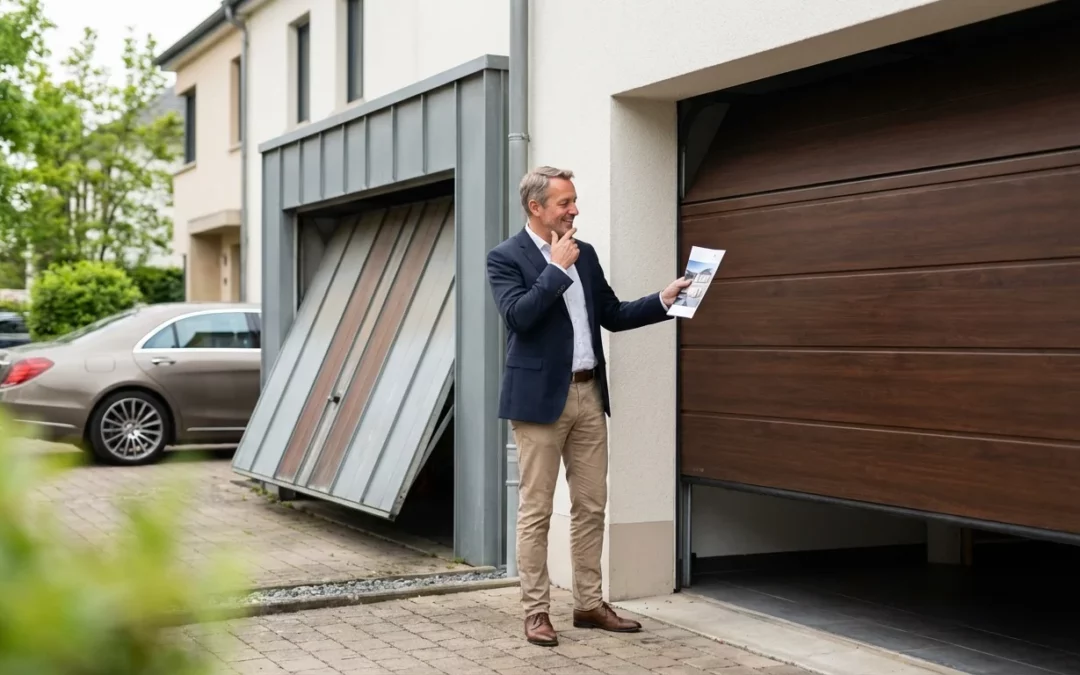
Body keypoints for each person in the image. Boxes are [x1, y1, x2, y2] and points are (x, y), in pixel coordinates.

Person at [486, 166, 692, 646]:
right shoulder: (505, 257)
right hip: (538, 402)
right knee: (535, 511)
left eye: (574, 200)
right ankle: (536, 612)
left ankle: (589, 604)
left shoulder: (587, 254)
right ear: (536, 208)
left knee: (591, 507)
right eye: (565, 202)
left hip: (588, 395)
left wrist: (663, 300)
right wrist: (556, 269)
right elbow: (518, 317)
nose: (575, 209)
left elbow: (613, 316)